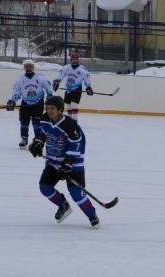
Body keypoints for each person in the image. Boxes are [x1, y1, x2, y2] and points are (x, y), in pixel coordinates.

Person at [27, 95, 99, 228]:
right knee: (45, 187)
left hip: (73, 164)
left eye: (52, 108)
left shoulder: (70, 125)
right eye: (48, 108)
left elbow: (77, 144)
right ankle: (63, 204)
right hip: (52, 161)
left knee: (76, 193)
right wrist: (37, 143)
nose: (49, 111)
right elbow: (42, 134)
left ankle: (92, 215)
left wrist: (68, 163)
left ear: (60, 109)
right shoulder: (45, 119)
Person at [6, 59, 54, 149]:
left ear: (33, 67)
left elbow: (48, 86)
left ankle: (38, 139)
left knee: (37, 122)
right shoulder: (20, 80)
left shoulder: (39, 78)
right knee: (24, 121)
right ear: (24, 67)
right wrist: (12, 101)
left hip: (38, 103)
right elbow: (16, 92)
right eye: (27, 66)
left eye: (30, 66)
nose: (28, 67)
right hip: (25, 103)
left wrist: (50, 94)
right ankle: (24, 139)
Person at [53, 52, 93, 121]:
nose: (74, 60)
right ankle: (70, 120)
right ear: (71, 59)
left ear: (78, 60)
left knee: (74, 104)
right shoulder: (66, 67)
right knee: (68, 105)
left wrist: (88, 87)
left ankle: (74, 121)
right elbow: (60, 75)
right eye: (73, 59)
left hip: (77, 89)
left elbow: (87, 78)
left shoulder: (82, 69)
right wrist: (57, 81)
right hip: (68, 89)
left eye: (76, 59)